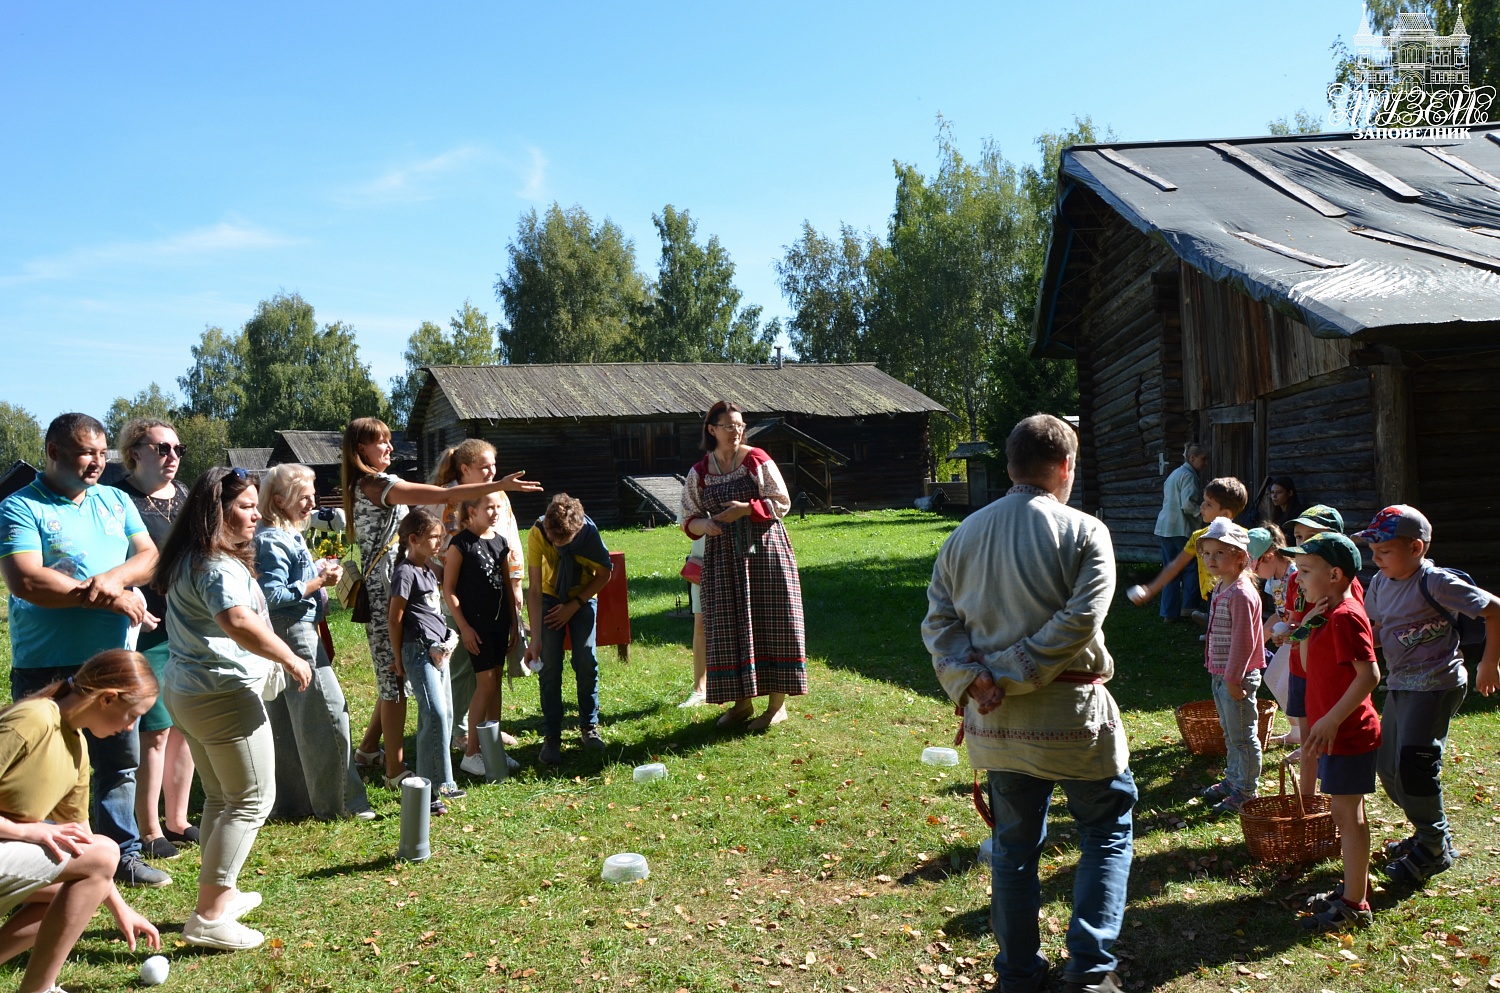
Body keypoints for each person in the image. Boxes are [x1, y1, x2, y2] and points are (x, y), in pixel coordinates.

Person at [923, 414, 1134, 993]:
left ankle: (1018, 975)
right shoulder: (1086, 531)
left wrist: (977, 679)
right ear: (1066, 467)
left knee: (1015, 850)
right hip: (1069, 720)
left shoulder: (962, 535)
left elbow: (938, 621)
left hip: (996, 722)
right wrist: (1007, 674)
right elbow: (1082, 620)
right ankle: (1089, 973)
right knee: (1106, 830)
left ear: (1010, 466)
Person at [0, 412, 168, 889]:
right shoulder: (20, 506)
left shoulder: (114, 500)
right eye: (85, 452)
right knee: (43, 772)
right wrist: (108, 595)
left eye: (101, 453)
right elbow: (27, 579)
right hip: (45, 661)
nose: (96, 462)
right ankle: (46, 867)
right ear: (53, 452)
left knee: (118, 763)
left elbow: (148, 557)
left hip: (110, 658)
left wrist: (113, 581)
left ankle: (122, 856)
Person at [153, 467, 314, 951]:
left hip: (188, 691)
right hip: (221, 694)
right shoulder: (215, 565)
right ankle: (209, 915)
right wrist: (288, 656)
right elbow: (238, 620)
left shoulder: (191, 557)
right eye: (245, 506)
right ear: (216, 511)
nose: (257, 514)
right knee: (251, 799)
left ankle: (220, 893)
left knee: (223, 798)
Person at [342, 418, 540, 789]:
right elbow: (440, 496)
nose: (388, 448)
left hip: (403, 586)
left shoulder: (370, 483)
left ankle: (370, 749)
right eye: (380, 443)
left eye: (388, 441)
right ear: (360, 451)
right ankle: (396, 771)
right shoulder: (375, 484)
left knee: (395, 676)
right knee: (394, 679)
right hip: (391, 592)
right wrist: (498, 485)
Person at [1354, 505, 1500, 885]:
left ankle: (1433, 847)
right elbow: (1376, 627)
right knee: (1388, 769)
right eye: (1373, 551)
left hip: (1437, 684)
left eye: (1384, 551)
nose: (1376, 559)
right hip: (1402, 683)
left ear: (1416, 548)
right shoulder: (1381, 584)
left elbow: (1495, 610)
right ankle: (1430, 833)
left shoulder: (1435, 582)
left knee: (1415, 767)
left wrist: (1488, 663)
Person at [0, 649, 161, 993]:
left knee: (75, 895)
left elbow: (88, 853)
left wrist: (120, 910)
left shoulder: (77, 747)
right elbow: (100, 855)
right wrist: (24, 830)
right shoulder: (34, 719)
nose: (130, 727)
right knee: (102, 854)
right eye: (132, 715)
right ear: (107, 699)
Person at [252, 464, 373, 822]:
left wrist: (317, 571)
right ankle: (343, 802)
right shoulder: (272, 538)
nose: (311, 503)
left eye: (312, 495)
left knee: (290, 721)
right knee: (328, 712)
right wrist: (318, 582)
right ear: (278, 501)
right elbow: (271, 594)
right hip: (294, 634)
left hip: (292, 630)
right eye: (303, 497)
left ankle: (294, 803)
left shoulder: (283, 532)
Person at [679, 401, 808, 730]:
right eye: (728, 426)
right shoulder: (700, 472)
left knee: (772, 622)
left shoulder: (756, 459)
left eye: (740, 425)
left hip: (765, 553)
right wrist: (703, 527)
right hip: (722, 559)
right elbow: (687, 518)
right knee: (729, 626)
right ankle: (742, 703)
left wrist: (745, 509)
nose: (736, 431)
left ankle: (776, 706)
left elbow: (782, 501)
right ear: (712, 430)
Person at [1277, 532, 1382, 932]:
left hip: (1350, 734)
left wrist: (1333, 718)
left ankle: (1356, 902)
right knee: (1343, 813)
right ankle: (1353, 889)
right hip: (1332, 733)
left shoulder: (1347, 616)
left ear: (1335, 574)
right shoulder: (1327, 612)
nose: (1297, 578)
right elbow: (1306, 658)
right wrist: (1305, 622)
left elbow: (1369, 675)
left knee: (1347, 816)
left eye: (1305, 571)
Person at [111, 417, 199, 862]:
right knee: (155, 731)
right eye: (163, 448)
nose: (172, 457)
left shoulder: (183, 496)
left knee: (184, 724)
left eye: (178, 449)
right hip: (145, 629)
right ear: (135, 451)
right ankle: (148, 830)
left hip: (187, 624)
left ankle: (177, 820)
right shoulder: (117, 498)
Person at [431, 440, 527, 754]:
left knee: (492, 669)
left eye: (493, 465)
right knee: (460, 665)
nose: (492, 471)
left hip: (495, 599)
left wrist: (515, 583)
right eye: (484, 466)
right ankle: (460, 732)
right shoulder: (444, 498)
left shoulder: (498, 496)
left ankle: (488, 731)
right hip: (456, 598)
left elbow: (510, 541)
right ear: (464, 469)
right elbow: (431, 545)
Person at [1278, 504, 1365, 794]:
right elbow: (1294, 621)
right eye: (1299, 537)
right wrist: (1290, 633)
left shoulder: (1347, 594)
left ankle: (1328, 805)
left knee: (1330, 746)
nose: (1304, 544)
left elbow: (1360, 656)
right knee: (1308, 739)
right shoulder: (1296, 579)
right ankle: (1307, 801)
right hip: (1301, 669)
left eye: (1312, 536)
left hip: (1332, 680)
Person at [523, 494, 614, 764]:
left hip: (582, 597)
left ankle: (589, 726)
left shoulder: (590, 534)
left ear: (577, 532)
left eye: (564, 542)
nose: (557, 544)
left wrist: (574, 605)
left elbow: (605, 574)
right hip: (550, 597)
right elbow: (536, 589)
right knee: (549, 663)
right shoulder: (538, 532)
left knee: (585, 658)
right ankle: (552, 735)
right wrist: (536, 639)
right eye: (555, 540)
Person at [388, 508, 465, 814]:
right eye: (433, 537)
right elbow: (395, 620)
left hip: (438, 651)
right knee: (434, 713)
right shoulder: (405, 572)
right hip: (417, 652)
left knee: (442, 715)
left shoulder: (426, 569)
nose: (439, 542)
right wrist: (398, 658)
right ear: (413, 539)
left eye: (440, 537)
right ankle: (438, 788)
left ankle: (430, 788)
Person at [443, 492, 521, 778]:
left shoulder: (501, 542)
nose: (495, 512)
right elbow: (448, 589)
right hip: (476, 627)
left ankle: (493, 748)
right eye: (488, 507)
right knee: (485, 684)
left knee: (495, 684)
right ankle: (472, 753)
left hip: (500, 625)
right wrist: (463, 627)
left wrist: (514, 624)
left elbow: (507, 585)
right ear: (471, 511)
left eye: (497, 506)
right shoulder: (460, 543)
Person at [1195, 519, 1266, 815]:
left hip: (1236, 677)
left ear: (1240, 557)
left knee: (1243, 735)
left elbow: (1244, 641)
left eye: (1220, 553)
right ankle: (1234, 780)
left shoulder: (1240, 593)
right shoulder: (1222, 587)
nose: (1211, 559)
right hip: (1222, 674)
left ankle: (1246, 791)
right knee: (1230, 731)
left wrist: (1234, 679)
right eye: (1207, 553)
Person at [1128, 477, 1249, 618]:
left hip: (1238, 593)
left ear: (1225, 514)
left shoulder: (1242, 538)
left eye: (1209, 504)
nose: (1202, 506)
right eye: (1203, 501)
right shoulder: (1198, 537)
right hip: (1213, 595)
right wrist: (1151, 588)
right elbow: (1176, 565)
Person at [1248, 524, 1299, 746]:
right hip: (1288, 635)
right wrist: (1255, 643)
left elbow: (1294, 617)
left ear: (1268, 557)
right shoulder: (1274, 580)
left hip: (1299, 637)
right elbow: (1278, 616)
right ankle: (1297, 730)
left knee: (1285, 683)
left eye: (1254, 567)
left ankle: (1306, 733)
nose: (1253, 573)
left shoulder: (1295, 575)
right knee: (1272, 677)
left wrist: (1276, 632)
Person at [1152, 443, 1209, 623]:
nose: (1205, 463)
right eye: (1203, 459)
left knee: (1171, 569)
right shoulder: (1189, 476)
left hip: (1165, 528)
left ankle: (1168, 613)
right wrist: (1202, 514)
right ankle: (1188, 607)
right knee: (1192, 567)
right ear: (1192, 458)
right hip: (1181, 528)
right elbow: (1187, 504)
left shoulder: (1174, 474)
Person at [677, 534, 709, 709]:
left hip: (736, 554)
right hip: (702, 558)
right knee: (700, 625)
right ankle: (700, 689)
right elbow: (685, 523)